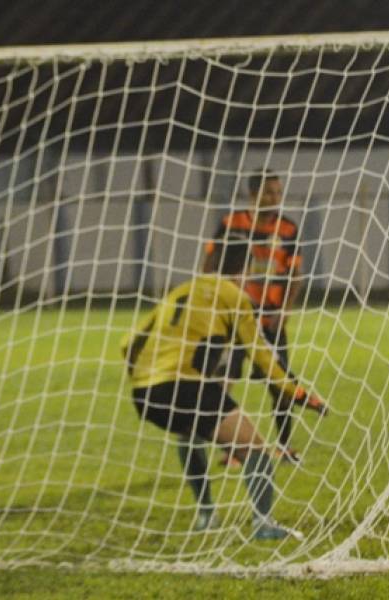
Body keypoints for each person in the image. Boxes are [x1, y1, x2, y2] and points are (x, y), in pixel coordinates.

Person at [121, 237, 325, 538]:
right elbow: (262, 356)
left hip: (146, 392)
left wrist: (145, 377)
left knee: (189, 435)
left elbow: (128, 344)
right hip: (185, 385)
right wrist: (299, 394)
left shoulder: (180, 291)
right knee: (257, 449)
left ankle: (206, 514)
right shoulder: (234, 296)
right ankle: (262, 525)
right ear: (245, 268)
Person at [204, 170, 324, 464]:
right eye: (270, 192)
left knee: (279, 382)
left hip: (269, 317)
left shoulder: (287, 228)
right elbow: (210, 262)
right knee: (224, 380)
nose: (275, 198)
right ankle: (233, 449)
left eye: (278, 193)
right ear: (253, 194)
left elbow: (294, 273)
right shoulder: (231, 223)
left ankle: (284, 446)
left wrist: (285, 308)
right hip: (234, 317)